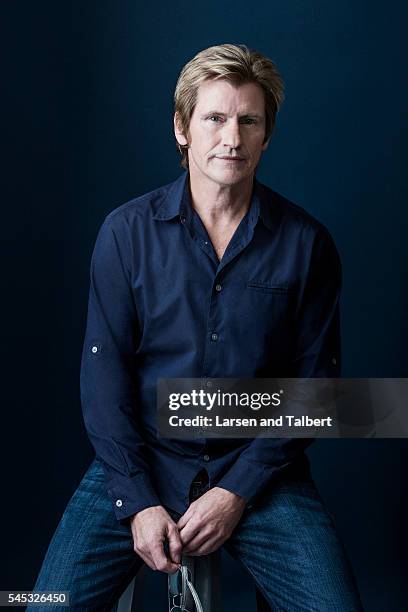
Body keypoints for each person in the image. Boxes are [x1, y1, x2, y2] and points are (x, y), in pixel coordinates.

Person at [29, 44, 363, 611]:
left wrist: (236, 491)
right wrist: (136, 501)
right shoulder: (125, 233)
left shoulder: (308, 244)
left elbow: (317, 392)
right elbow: (103, 382)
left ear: (266, 135)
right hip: (143, 460)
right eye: (214, 118)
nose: (231, 137)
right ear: (182, 128)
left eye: (248, 121)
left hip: (259, 470)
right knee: (44, 607)